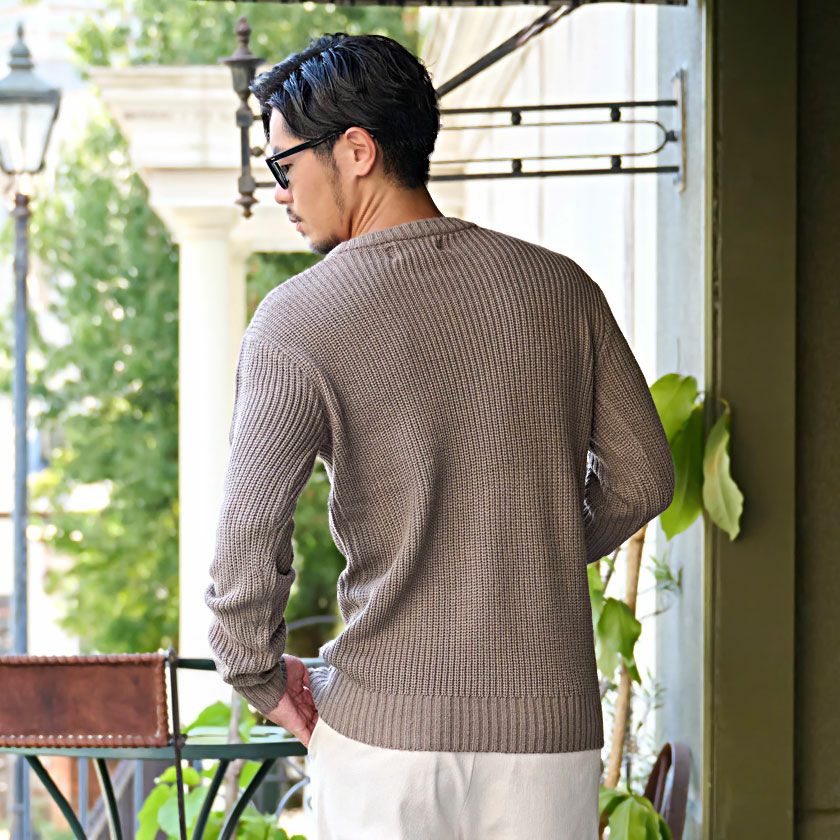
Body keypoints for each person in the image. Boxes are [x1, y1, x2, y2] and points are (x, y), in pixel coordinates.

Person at [205, 32, 675, 840]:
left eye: (285, 165)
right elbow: (643, 480)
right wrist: (530, 547)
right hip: (546, 734)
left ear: (356, 151)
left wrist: (258, 676)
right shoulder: (560, 289)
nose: (281, 192)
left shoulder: (296, 320)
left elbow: (245, 549)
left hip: (380, 744)